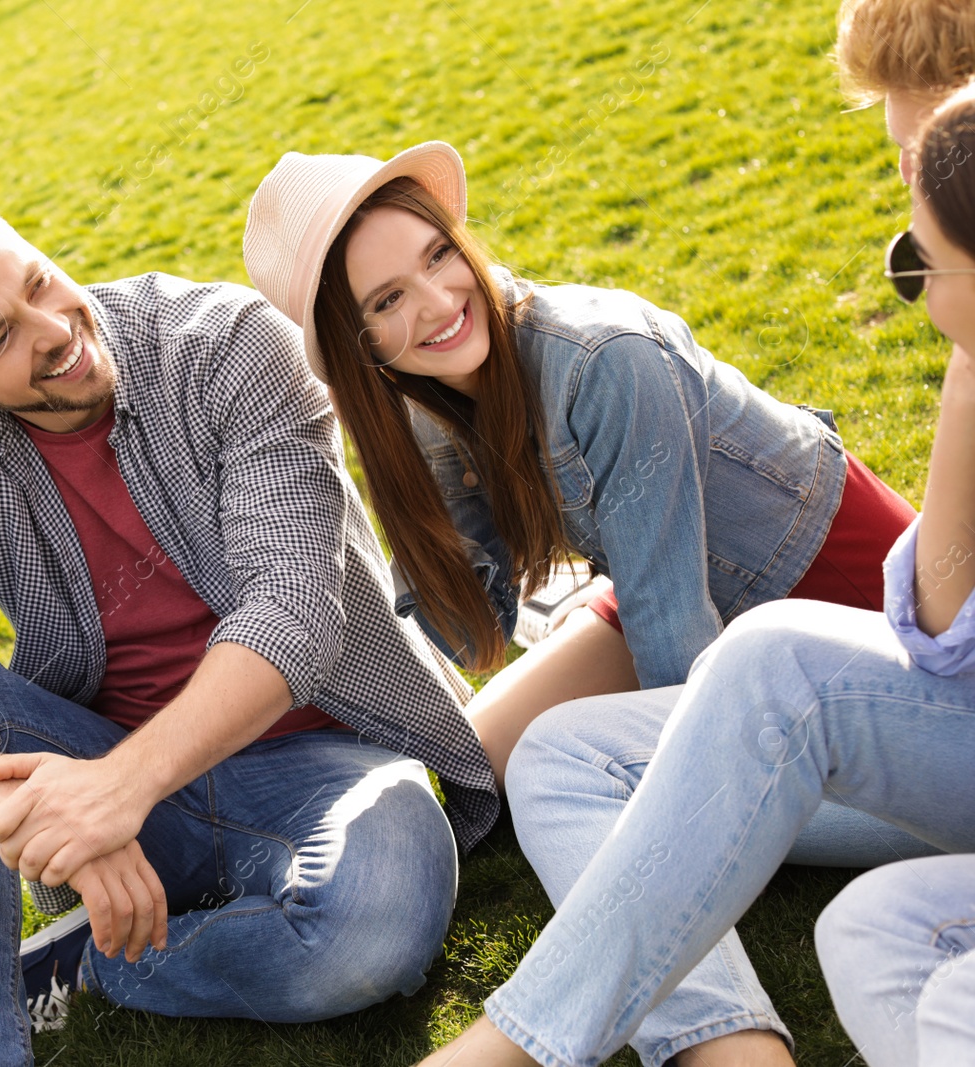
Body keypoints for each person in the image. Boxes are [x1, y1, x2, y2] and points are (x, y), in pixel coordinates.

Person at [0, 187, 499, 1067]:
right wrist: (23, 800)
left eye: (39, 283)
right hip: (103, 774)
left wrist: (116, 789)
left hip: (329, 758)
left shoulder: (223, 344)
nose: (49, 329)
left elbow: (296, 607)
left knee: (377, 925)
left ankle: (102, 963)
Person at [417, 80, 975, 1067]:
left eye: (916, 262)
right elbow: (478, 610)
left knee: (764, 670)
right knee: (534, 750)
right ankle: (724, 1045)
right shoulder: (439, 414)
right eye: (385, 303)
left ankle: (516, 1039)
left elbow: (927, 620)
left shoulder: (597, 357)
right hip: (818, 670)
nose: (916, 292)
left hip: (810, 650)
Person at [243, 141, 916, 790]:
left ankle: (570, 612)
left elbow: (679, 651)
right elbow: (465, 626)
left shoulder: (604, 358)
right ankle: (568, 609)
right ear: (358, 349)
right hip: (662, 582)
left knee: (579, 760)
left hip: (819, 580)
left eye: (439, 254)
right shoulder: (433, 400)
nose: (440, 302)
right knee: (481, 759)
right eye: (387, 300)